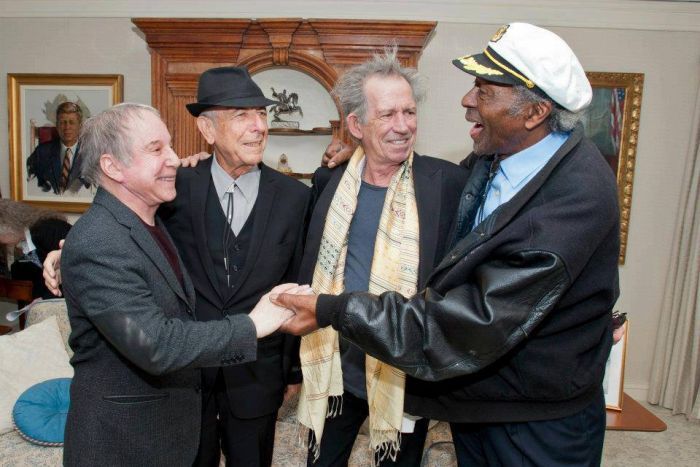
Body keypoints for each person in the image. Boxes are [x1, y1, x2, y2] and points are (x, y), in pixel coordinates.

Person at [276, 23, 620, 467]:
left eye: (484, 90)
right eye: (386, 116)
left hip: (535, 421)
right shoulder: (495, 158)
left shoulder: (573, 199)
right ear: (356, 126)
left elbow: (467, 324)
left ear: (533, 113)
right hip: (476, 401)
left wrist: (330, 309)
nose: (466, 100)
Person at [60, 103, 299, 466]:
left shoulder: (152, 222)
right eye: (156, 149)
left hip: (170, 436)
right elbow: (154, 344)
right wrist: (255, 324)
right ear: (112, 166)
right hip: (125, 446)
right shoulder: (98, 242)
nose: (174, 159)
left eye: (170, 146)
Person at [298, 49, 467, 466]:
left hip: (404, 369)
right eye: (388, 114)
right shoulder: (329, 181)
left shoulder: (446, 183)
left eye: (409, 112)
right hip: (336, 364)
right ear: (356, 124)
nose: (404, 126)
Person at [0, 199, 71, 299]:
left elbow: (68, 270)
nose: (2, 242)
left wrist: (44, 300)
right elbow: (40, 274)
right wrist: (38, 298)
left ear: (9, 229)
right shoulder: (26, 240)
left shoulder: (48, 230)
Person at [26, 101, 90, 194]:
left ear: (80, 126)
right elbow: (29, 183)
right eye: (62, 122)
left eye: (71, 122)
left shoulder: (90, 154)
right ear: (57, 125)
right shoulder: (41, 152)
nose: (67, 127)